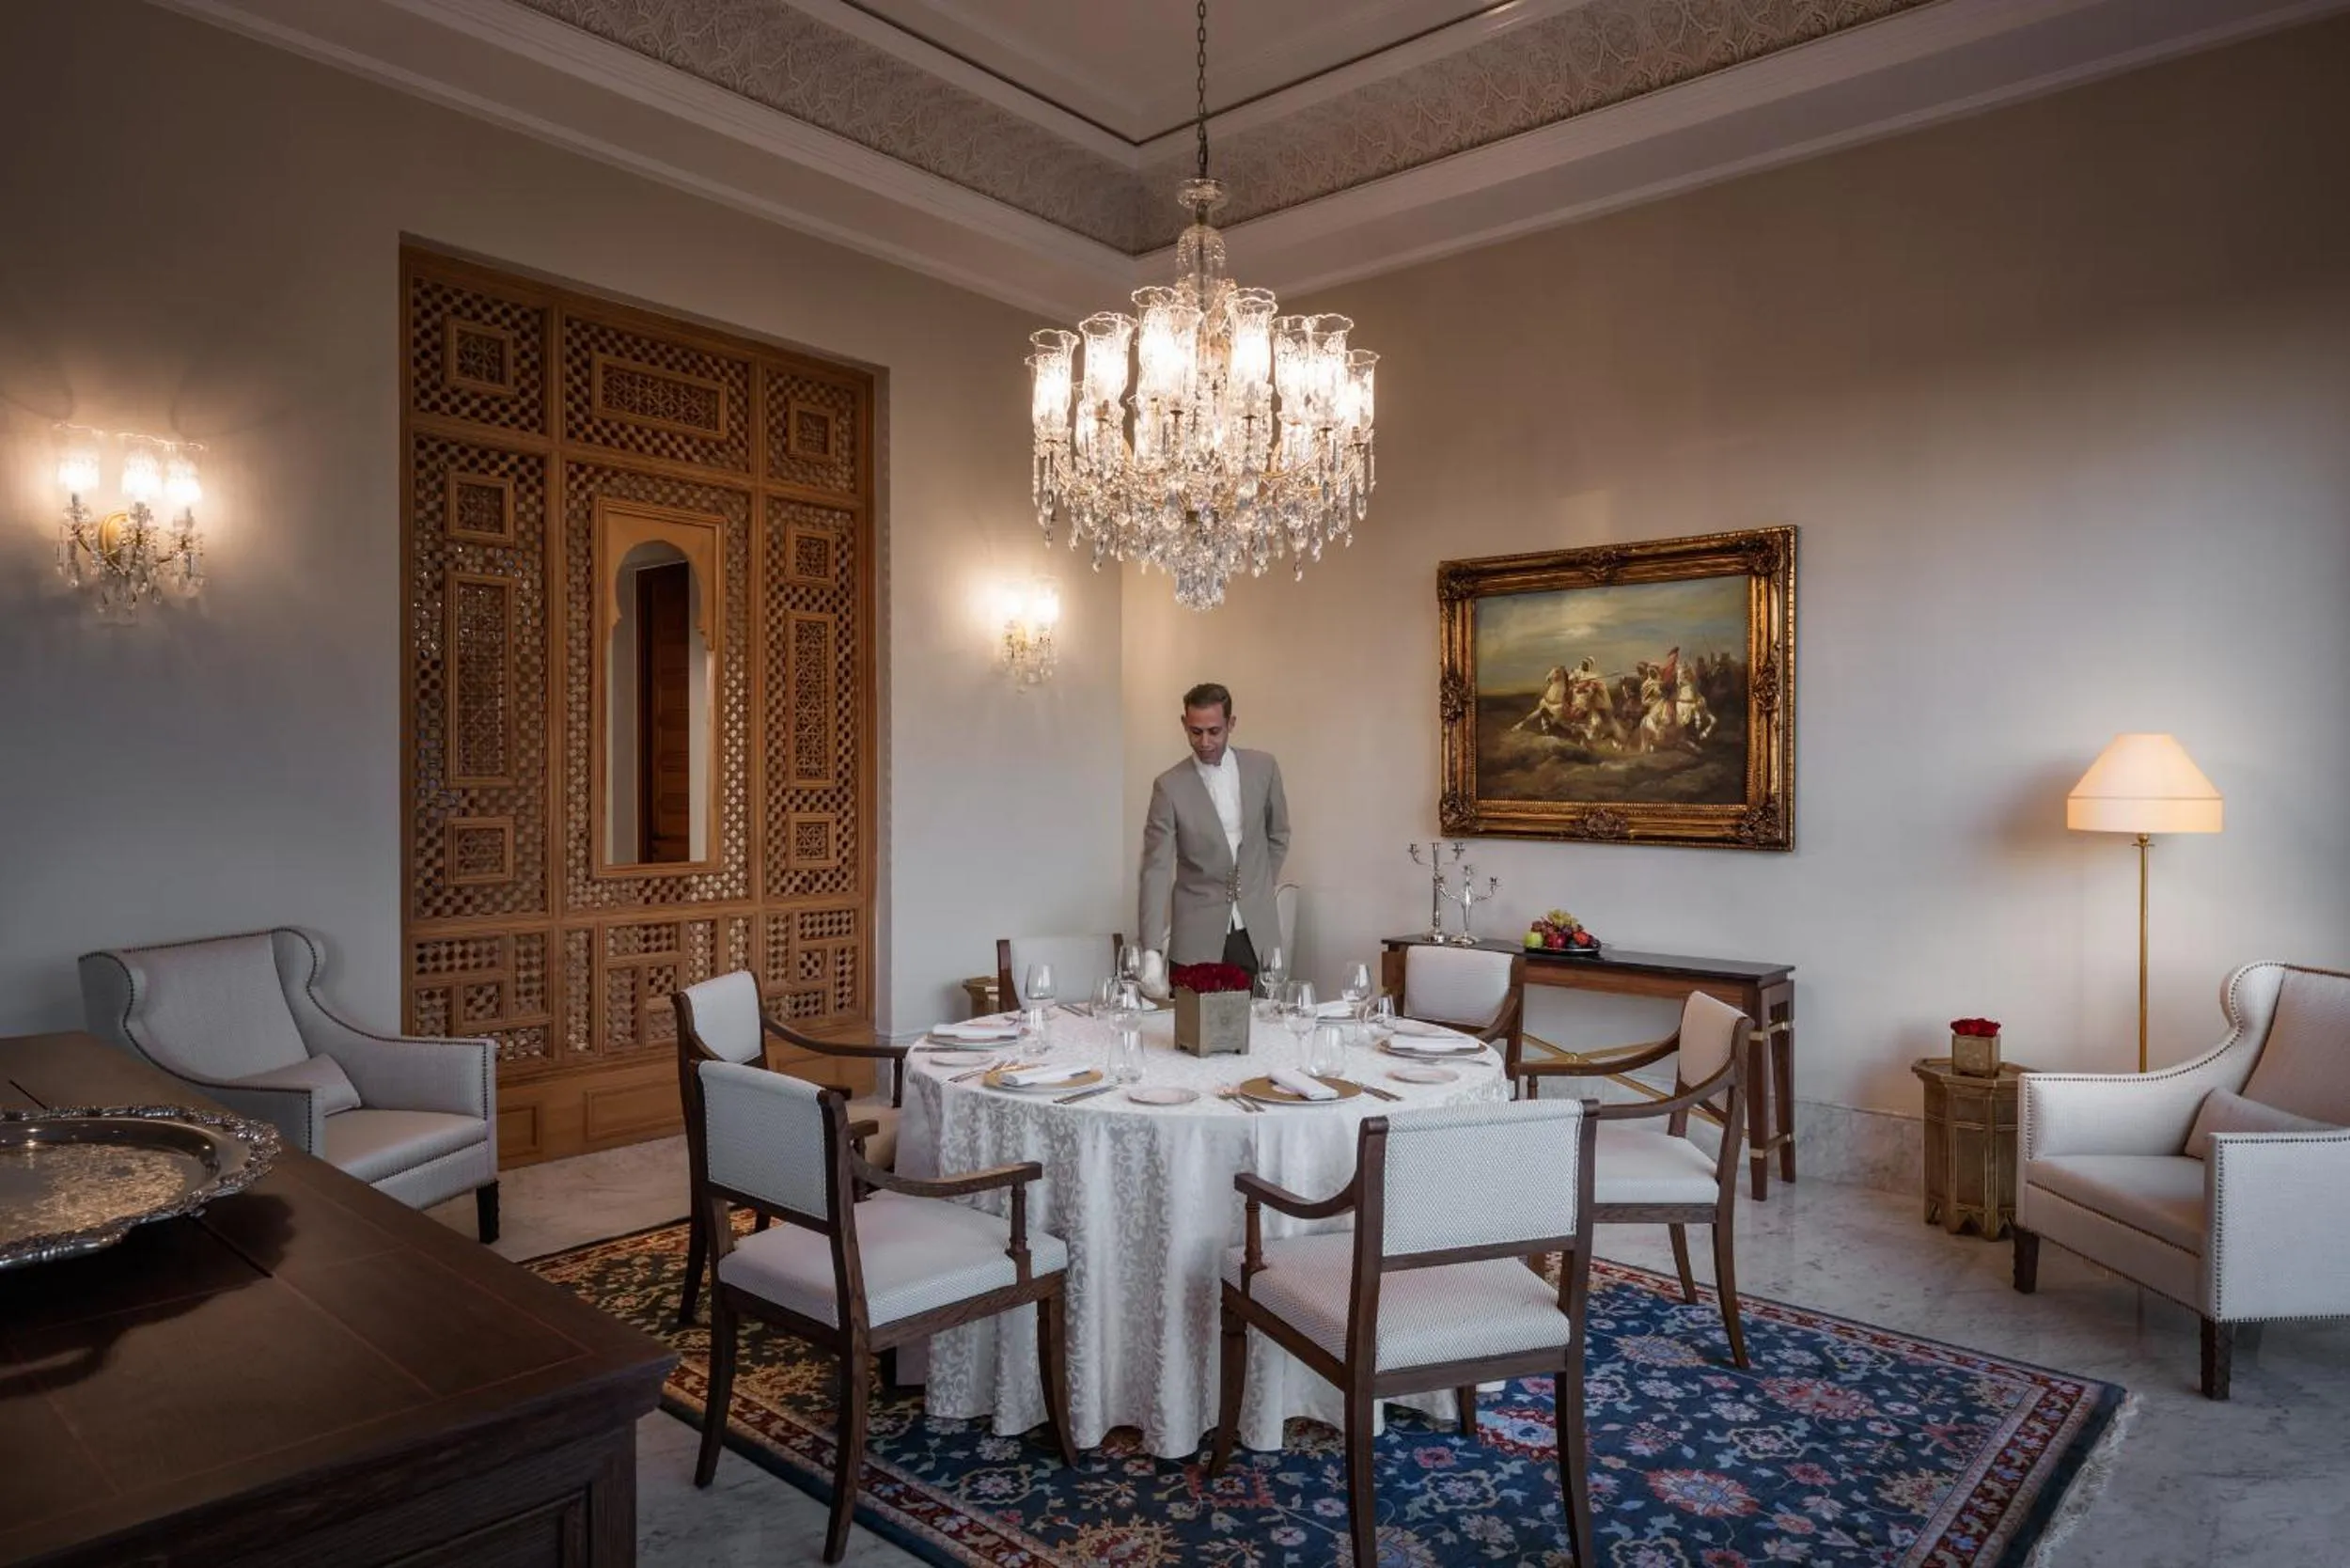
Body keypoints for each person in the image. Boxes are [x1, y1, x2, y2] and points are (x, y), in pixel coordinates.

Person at [1136, 682, 1291, 995]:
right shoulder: (1169, 786)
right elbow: (1156, 868)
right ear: (1184, 724)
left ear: (1231, 724)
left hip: (1256, 935)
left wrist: (1255, 887)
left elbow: (1279, 835)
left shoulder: (1264, 768)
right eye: (1195, 732)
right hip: (1196, 939)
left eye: (1214, 731)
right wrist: (1151, 950)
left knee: (1261, 1035)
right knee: (1190, 1037)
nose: (1204, 742)